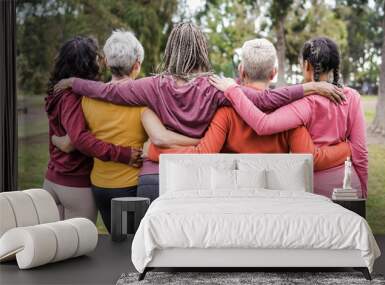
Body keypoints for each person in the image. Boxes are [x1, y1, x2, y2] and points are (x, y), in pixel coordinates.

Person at [53, 23, 344, 201]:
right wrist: (309, 88)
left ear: (171, 51)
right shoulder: (215, 86)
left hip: (157, 177)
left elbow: (107, 91)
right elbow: (265, 100)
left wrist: (73, 82)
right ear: (202, 51)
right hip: (203, 176)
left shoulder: (153, 86)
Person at [52, 31, 196, 231]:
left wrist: (54, 139)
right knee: (134, 249)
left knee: (117, 243)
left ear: (108, 64)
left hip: (99, 185)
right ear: (137, 65)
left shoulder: (87, 98)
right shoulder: (143, 101)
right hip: (130, 187)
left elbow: (75, 138)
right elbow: (161, 136)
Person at [142, 39, 350, 171]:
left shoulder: (225, 112)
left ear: (241, 71)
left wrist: (154, 151)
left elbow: (201, 154)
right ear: (273, 73)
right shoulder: (288, 115)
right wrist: (347, 147)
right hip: (274, 194)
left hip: (233, 195)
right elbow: (312, 157)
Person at [210, 37, 367, 198]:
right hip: (350, 186)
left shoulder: (302, 103)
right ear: (273, 73)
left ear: (306, 65)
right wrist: (360, 183)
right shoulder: (352, 97)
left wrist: (232, 90)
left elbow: (263, 124)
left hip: (315, 191)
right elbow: (360, 153)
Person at [44, 36, 141, 223]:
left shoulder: (56, 92)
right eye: (96, 58)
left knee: (57, 246)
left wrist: (56, 140)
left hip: (52, 180)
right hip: (74, 183)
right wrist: (122, 153)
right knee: (77, 246)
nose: (100, 61)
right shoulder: (74, 97)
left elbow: (63, 138)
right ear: (88, 63)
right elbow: (74, 141)